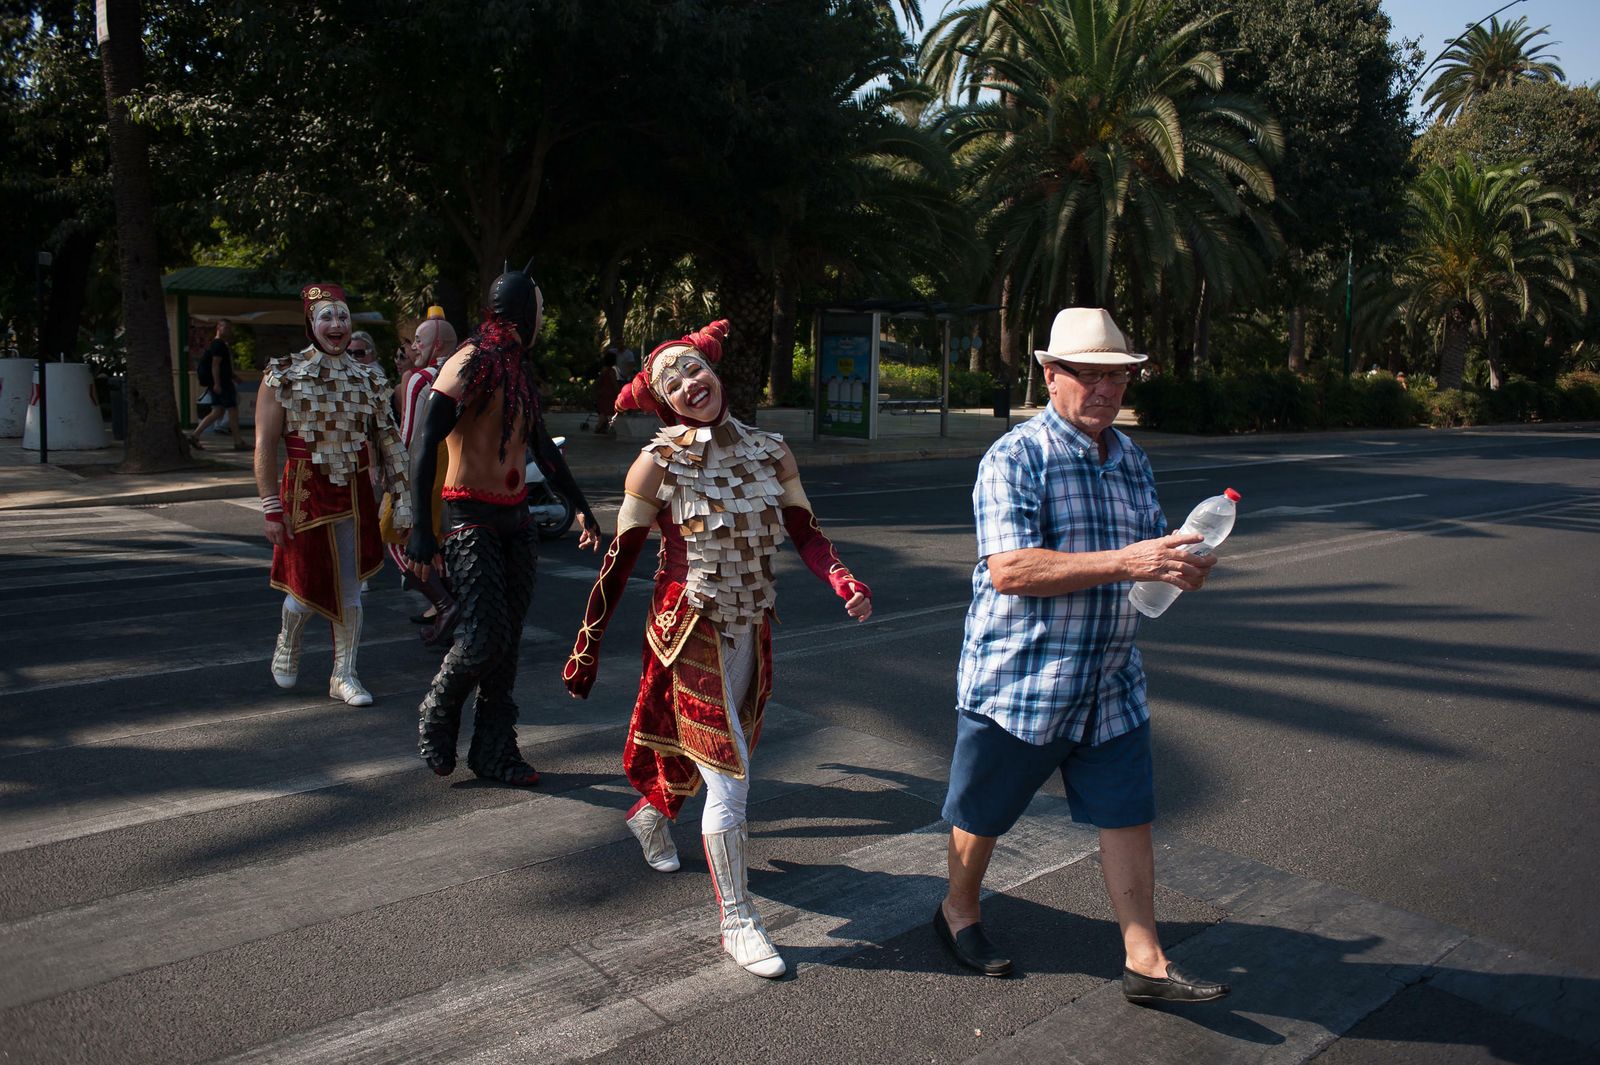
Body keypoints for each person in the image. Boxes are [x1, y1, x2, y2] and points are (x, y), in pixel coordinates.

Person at [935, 306, 1230, 1006]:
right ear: (1050, 374)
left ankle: (1145, 959)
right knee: (983, 814)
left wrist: (1178, 566)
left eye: (1116, 377)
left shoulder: (1130, 458)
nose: (1104, 389)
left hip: (1109, 677)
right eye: (1087, 374)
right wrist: (1130, 560)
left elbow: (1148, 552)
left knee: (1128, 814)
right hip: (1023, 678)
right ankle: (958, 910)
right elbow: (1010, 569)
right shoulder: (1016, 457)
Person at [561, 319, 872, 980]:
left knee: (717, 750)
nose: (688, 383)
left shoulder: (771, 451)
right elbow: (619, 561)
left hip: (751, 623)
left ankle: (650, 815)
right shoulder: (656, 463)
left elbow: (805, 531)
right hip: (689, 631)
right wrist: (587, 644)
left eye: (692, 369)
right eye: (671, 382)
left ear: (713, 370)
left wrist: (841, 578)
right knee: (728, 772)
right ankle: (737, 919)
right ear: (662, 401)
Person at [405, 261, 601, 786]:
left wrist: (580, 505)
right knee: (483, 637)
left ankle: (494, 751)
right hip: (471, 519)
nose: (544, 319)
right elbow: (425, 443)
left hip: (517, 519)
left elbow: (541, 448)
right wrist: (422, 527)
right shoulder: (470, 361)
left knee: (507, 644)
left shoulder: (517, 369)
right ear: (525, 312)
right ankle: (438, 709)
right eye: (541, 309)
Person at [254, 283, 411, 706]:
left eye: (343, 316)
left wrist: (403, 500)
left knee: (351, 584)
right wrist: (270, 506)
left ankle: (344, 674)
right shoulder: (282, 374)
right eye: (327, 316)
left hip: (355, 491)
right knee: (305, 582)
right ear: (311, 323)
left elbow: (389, 442)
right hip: (305, 489)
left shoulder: (369, 379)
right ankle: (288, 640)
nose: (337, 324)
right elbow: (265, 445)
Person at [388, 308, 460, 644]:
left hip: (423, 468)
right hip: (455, 471)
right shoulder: (467, 372)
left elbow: (409, 435)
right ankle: (448, 605)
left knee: (396, 537)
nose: (413, 347)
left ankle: (444, 604)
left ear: (437, 344)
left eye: (419, 340)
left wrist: (394, 474)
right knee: (439, 544)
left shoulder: (420, 379)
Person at [188, 320, 245, 450]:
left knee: (217, 411)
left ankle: (195, 435)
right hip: (222, 383)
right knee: (232, 410)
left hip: (220, 382)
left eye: (230, 328)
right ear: (218, 328)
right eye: (226, 327)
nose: (228, 330)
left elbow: (223, 366)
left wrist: (234, 377)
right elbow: (215, 365)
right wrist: (217, 384)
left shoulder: (217, 344)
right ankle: (238, 442)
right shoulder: (218, 345)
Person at [589, 348, 621, 433]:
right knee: (608, 412)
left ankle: (603, 427)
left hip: (602, 394)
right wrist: (619, 392)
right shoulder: (611, 371)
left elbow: (599, 381)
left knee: (604, 412)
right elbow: (614, 383)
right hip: (609, 395)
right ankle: (599, 426)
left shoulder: (604, 370)